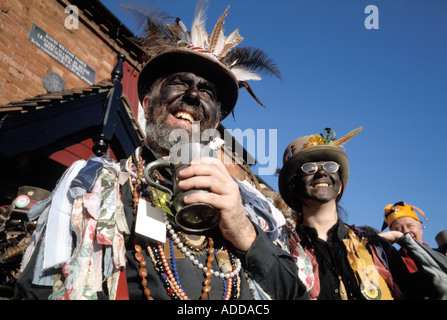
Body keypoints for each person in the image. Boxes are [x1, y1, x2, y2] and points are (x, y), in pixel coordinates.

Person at [14, 2, 308, 300]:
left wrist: (243, 229)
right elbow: (36, 291)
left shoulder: (250, 210)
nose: (193, 95)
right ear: (147, 103)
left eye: (206, 91)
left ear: (215, 122)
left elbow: (294, 295)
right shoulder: (92, 189)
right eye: (179, 82)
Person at [278, 127, 447, 300]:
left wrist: (405, 241)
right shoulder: (283, 248)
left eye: (330, 167)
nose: (322, 172)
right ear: (293, 187)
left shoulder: (373, 245)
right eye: (309, 168)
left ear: (340, 186)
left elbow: (418, 293)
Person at [380, 202, 447, 297]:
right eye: (398, 228)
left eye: (410, 226)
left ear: (420, 229)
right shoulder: (392, 265)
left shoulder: (441, 255)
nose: (406, 231)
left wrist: (400, 237)